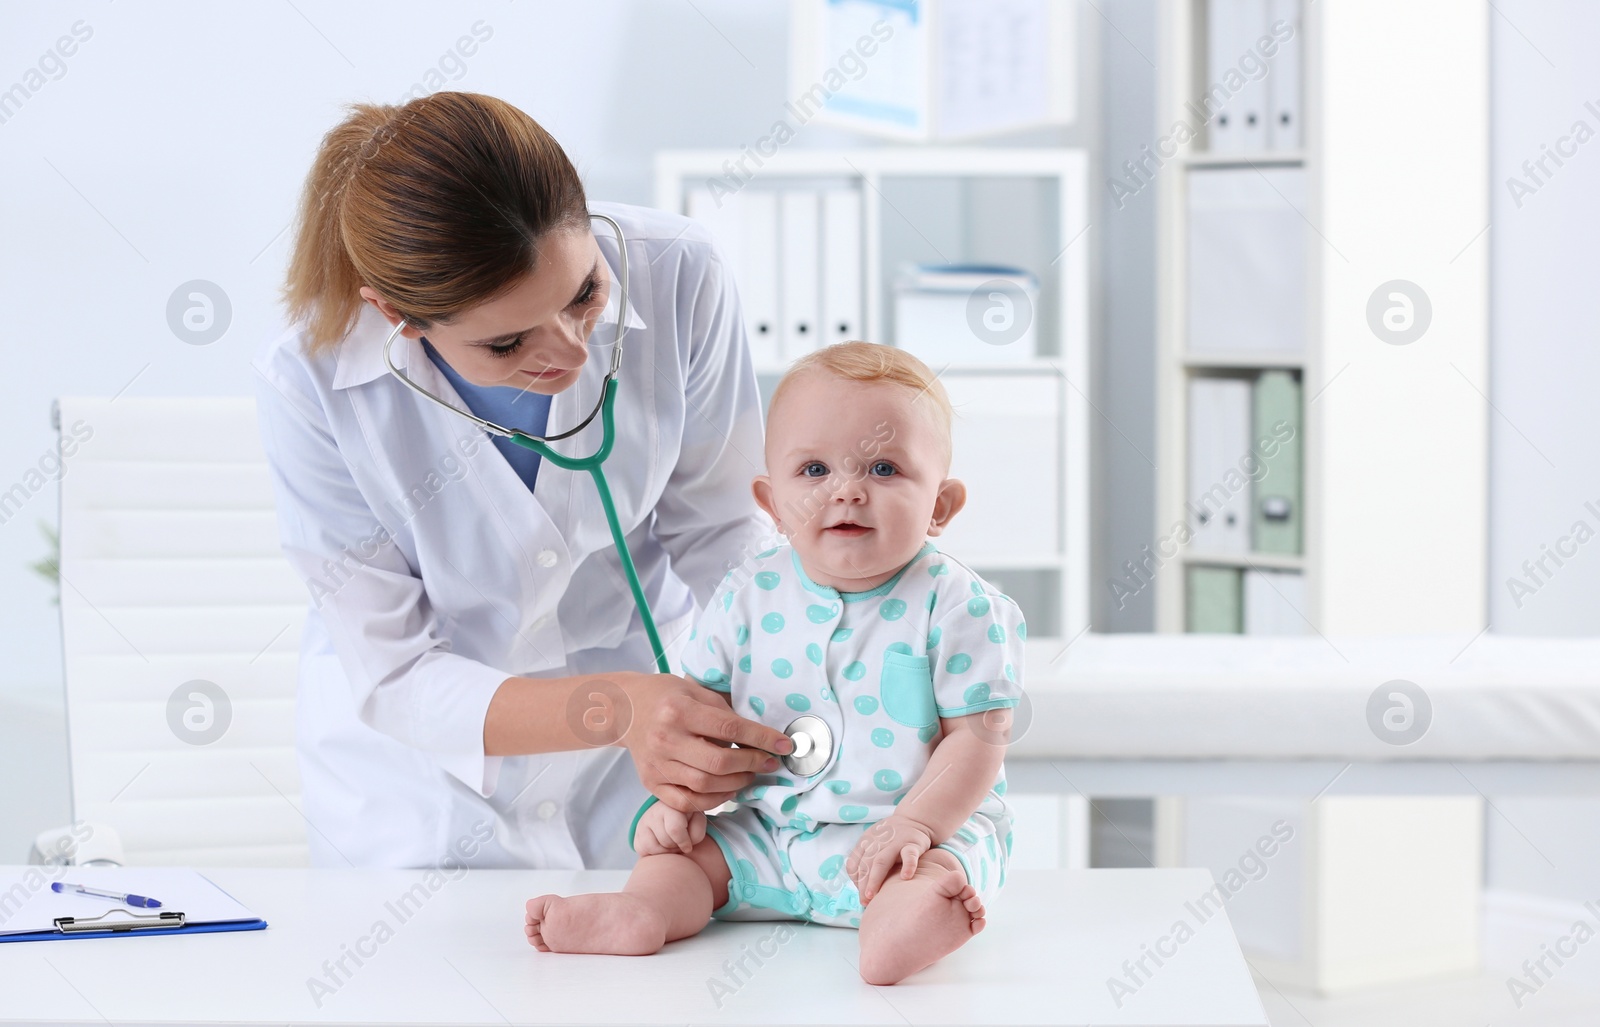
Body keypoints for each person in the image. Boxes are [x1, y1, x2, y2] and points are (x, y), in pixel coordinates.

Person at [253, 91, 794, 870]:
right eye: (507, 342)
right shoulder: (307, 380)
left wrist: (801, 663)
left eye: (585, 295)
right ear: (396, 315)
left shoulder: (681, 275)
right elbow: (396, 668)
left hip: (638, 777)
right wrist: (621, 707)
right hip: (423, 790)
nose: (572, 351)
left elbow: (720, 529)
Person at [523, 342, 1024, 986]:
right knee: (684, 855)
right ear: (772, 502)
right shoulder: (745, 594)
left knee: (940, 866)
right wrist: (677, 799)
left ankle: (903, 925)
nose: (846, 491)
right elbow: (696, 715)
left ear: (941, 506)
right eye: (814, 470)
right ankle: (643, 911)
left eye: (884, 468)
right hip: (766, 832)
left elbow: (977, 743)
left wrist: (916, 824)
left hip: (908, 830)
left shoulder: (960, 605)